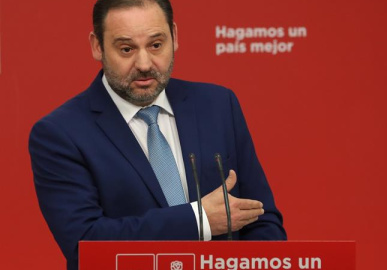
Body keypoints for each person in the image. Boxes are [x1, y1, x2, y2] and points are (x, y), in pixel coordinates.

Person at [29, 0, 286, 269]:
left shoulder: (219, 104)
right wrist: (199, 220)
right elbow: (85, 244)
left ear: (174, 37)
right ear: (97, 46)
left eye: (155, 45)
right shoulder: (60, 133)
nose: (144, 63)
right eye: (126, 49)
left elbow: (262, 218)